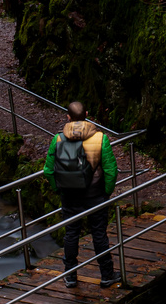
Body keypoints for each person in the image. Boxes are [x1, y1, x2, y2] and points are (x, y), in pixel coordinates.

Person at [44, 101, 118, 287]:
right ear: (86, 114)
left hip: (69, 195)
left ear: (68, 117)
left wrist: (57, 189)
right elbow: (111, 170)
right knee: (99, 234)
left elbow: (48, 171)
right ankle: (107, 275)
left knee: (71, 234)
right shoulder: (101, 138)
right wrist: (106, 192)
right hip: (95, 195)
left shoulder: (58, 139)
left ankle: (70, 276)